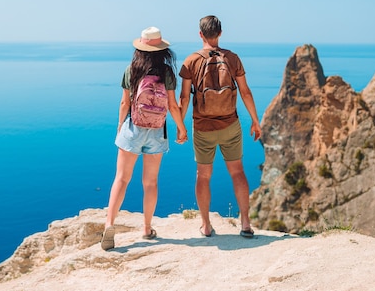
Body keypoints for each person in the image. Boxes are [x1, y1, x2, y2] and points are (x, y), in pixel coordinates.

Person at [101, 26, 188, 251]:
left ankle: (109, 224)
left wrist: (120, 126)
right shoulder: (167, 72)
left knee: (121, 178)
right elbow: (172, 105)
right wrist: (181, 128)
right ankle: (147, 228)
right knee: (150, 182)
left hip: (133, 128)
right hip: (158, 130)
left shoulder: (132, 69)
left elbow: (124, 104)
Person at [178, 15, 261, 238]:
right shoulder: (232, 58)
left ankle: (206, 225)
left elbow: (185, 97)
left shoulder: (190, 61)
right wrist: (255, 120)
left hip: (203, 128)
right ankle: (245, 223)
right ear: (220, 33)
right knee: (237, 172)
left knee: (203, 176)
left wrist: (181, 126)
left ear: (200, 34)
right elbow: (245, 92)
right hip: (230, 125)